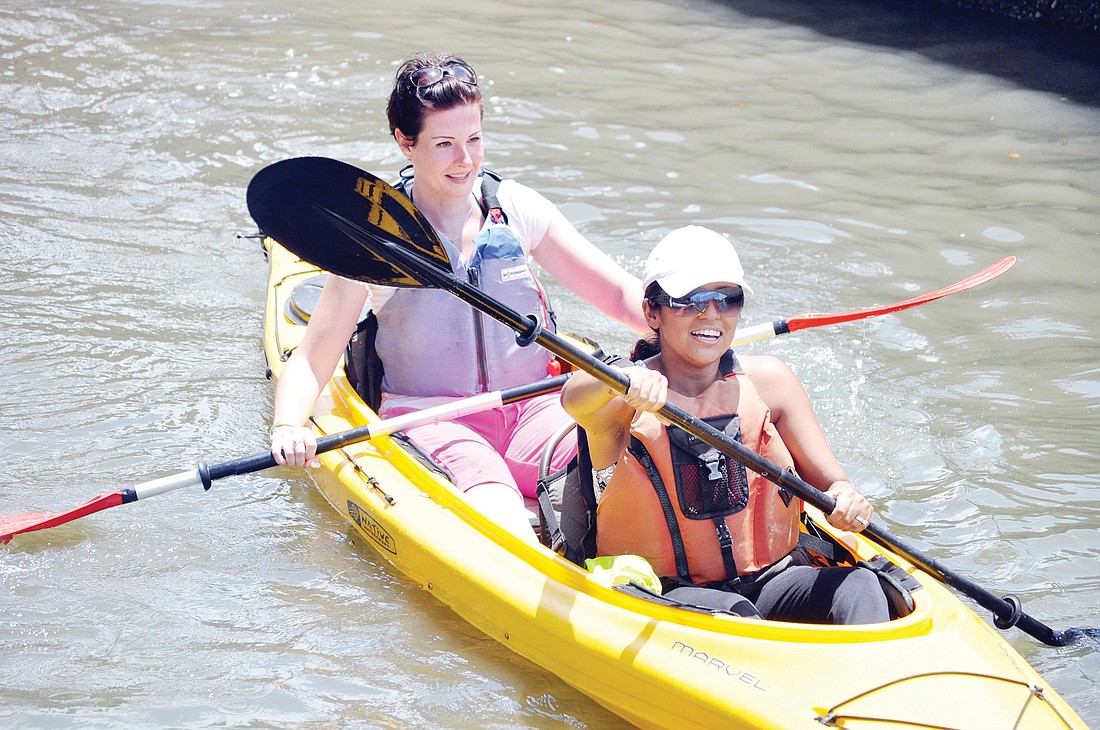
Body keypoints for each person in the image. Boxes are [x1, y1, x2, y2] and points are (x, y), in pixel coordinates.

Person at [268, 52, 648, 539]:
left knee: (632, 474)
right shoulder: (378, 242)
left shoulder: (512, 208)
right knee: (502, 516)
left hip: (534, 407)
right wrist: (288, 426)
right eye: (444, 143)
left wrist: (692, 331)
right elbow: (314, 356)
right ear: (406, 142)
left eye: (473, 139)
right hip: (433, 419)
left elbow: (617, 296)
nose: (464, 159)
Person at [560, 226, 891, 624]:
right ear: (652, 311)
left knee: (861, 586)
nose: (711, 314)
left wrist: (847, 499)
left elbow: (833, 483)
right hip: (665, 594)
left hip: (772, 581)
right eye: (690, 301)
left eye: (727, 300)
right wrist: (619, 379)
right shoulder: (619, 400)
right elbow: (574, 397)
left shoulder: (771, 382)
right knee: (735, 615)